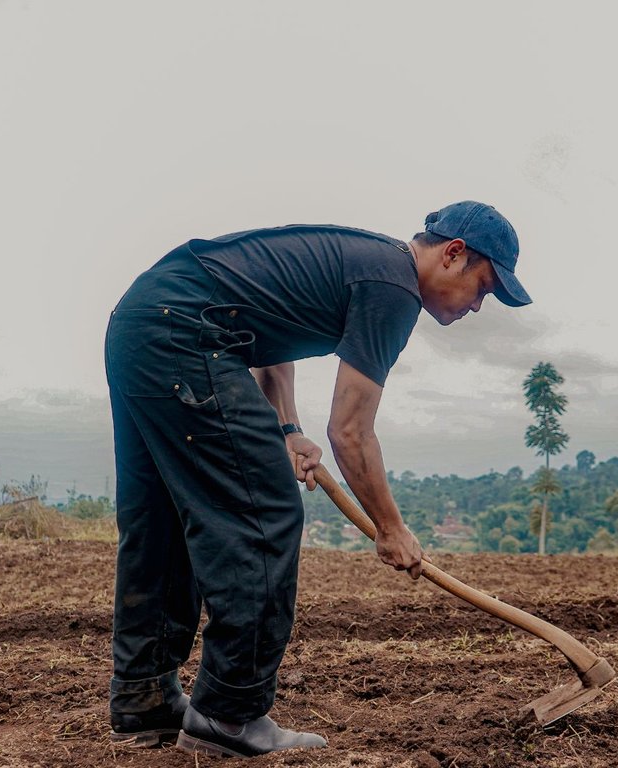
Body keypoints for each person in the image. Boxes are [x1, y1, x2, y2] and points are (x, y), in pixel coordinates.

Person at [104, 201, 531, 757]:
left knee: (159, 516)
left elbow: (264, 339)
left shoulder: (364, 262)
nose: (479, 305)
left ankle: (145, 696)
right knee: (264, 513)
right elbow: (351, 432)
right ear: (454, 254)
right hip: (187, 334)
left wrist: (286, 427)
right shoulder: (394, 287)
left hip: (145, 322)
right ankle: (229, 715)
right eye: (484, 287)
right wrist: (391, 526)